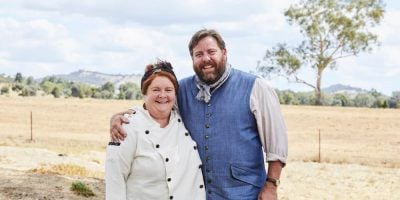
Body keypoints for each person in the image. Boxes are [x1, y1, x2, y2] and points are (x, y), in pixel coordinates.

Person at [110, 29, 288, 200]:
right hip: (199, 194)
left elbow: (276, 143)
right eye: (199, 54)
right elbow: (157, 107)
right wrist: (122, 117)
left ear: (224, 53)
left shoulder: (256, 88)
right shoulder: (181, 90)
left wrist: (271, 185)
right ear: (192, 59)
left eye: (211, 52)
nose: (206, 59)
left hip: (246, 194)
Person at [105, 61, 205, 200]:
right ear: (144, 92)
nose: (162, 95)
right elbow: (115, 180)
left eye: (168, 90)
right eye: (156, 90)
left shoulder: (183, 118)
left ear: (175, 94)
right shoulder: (127, 126)